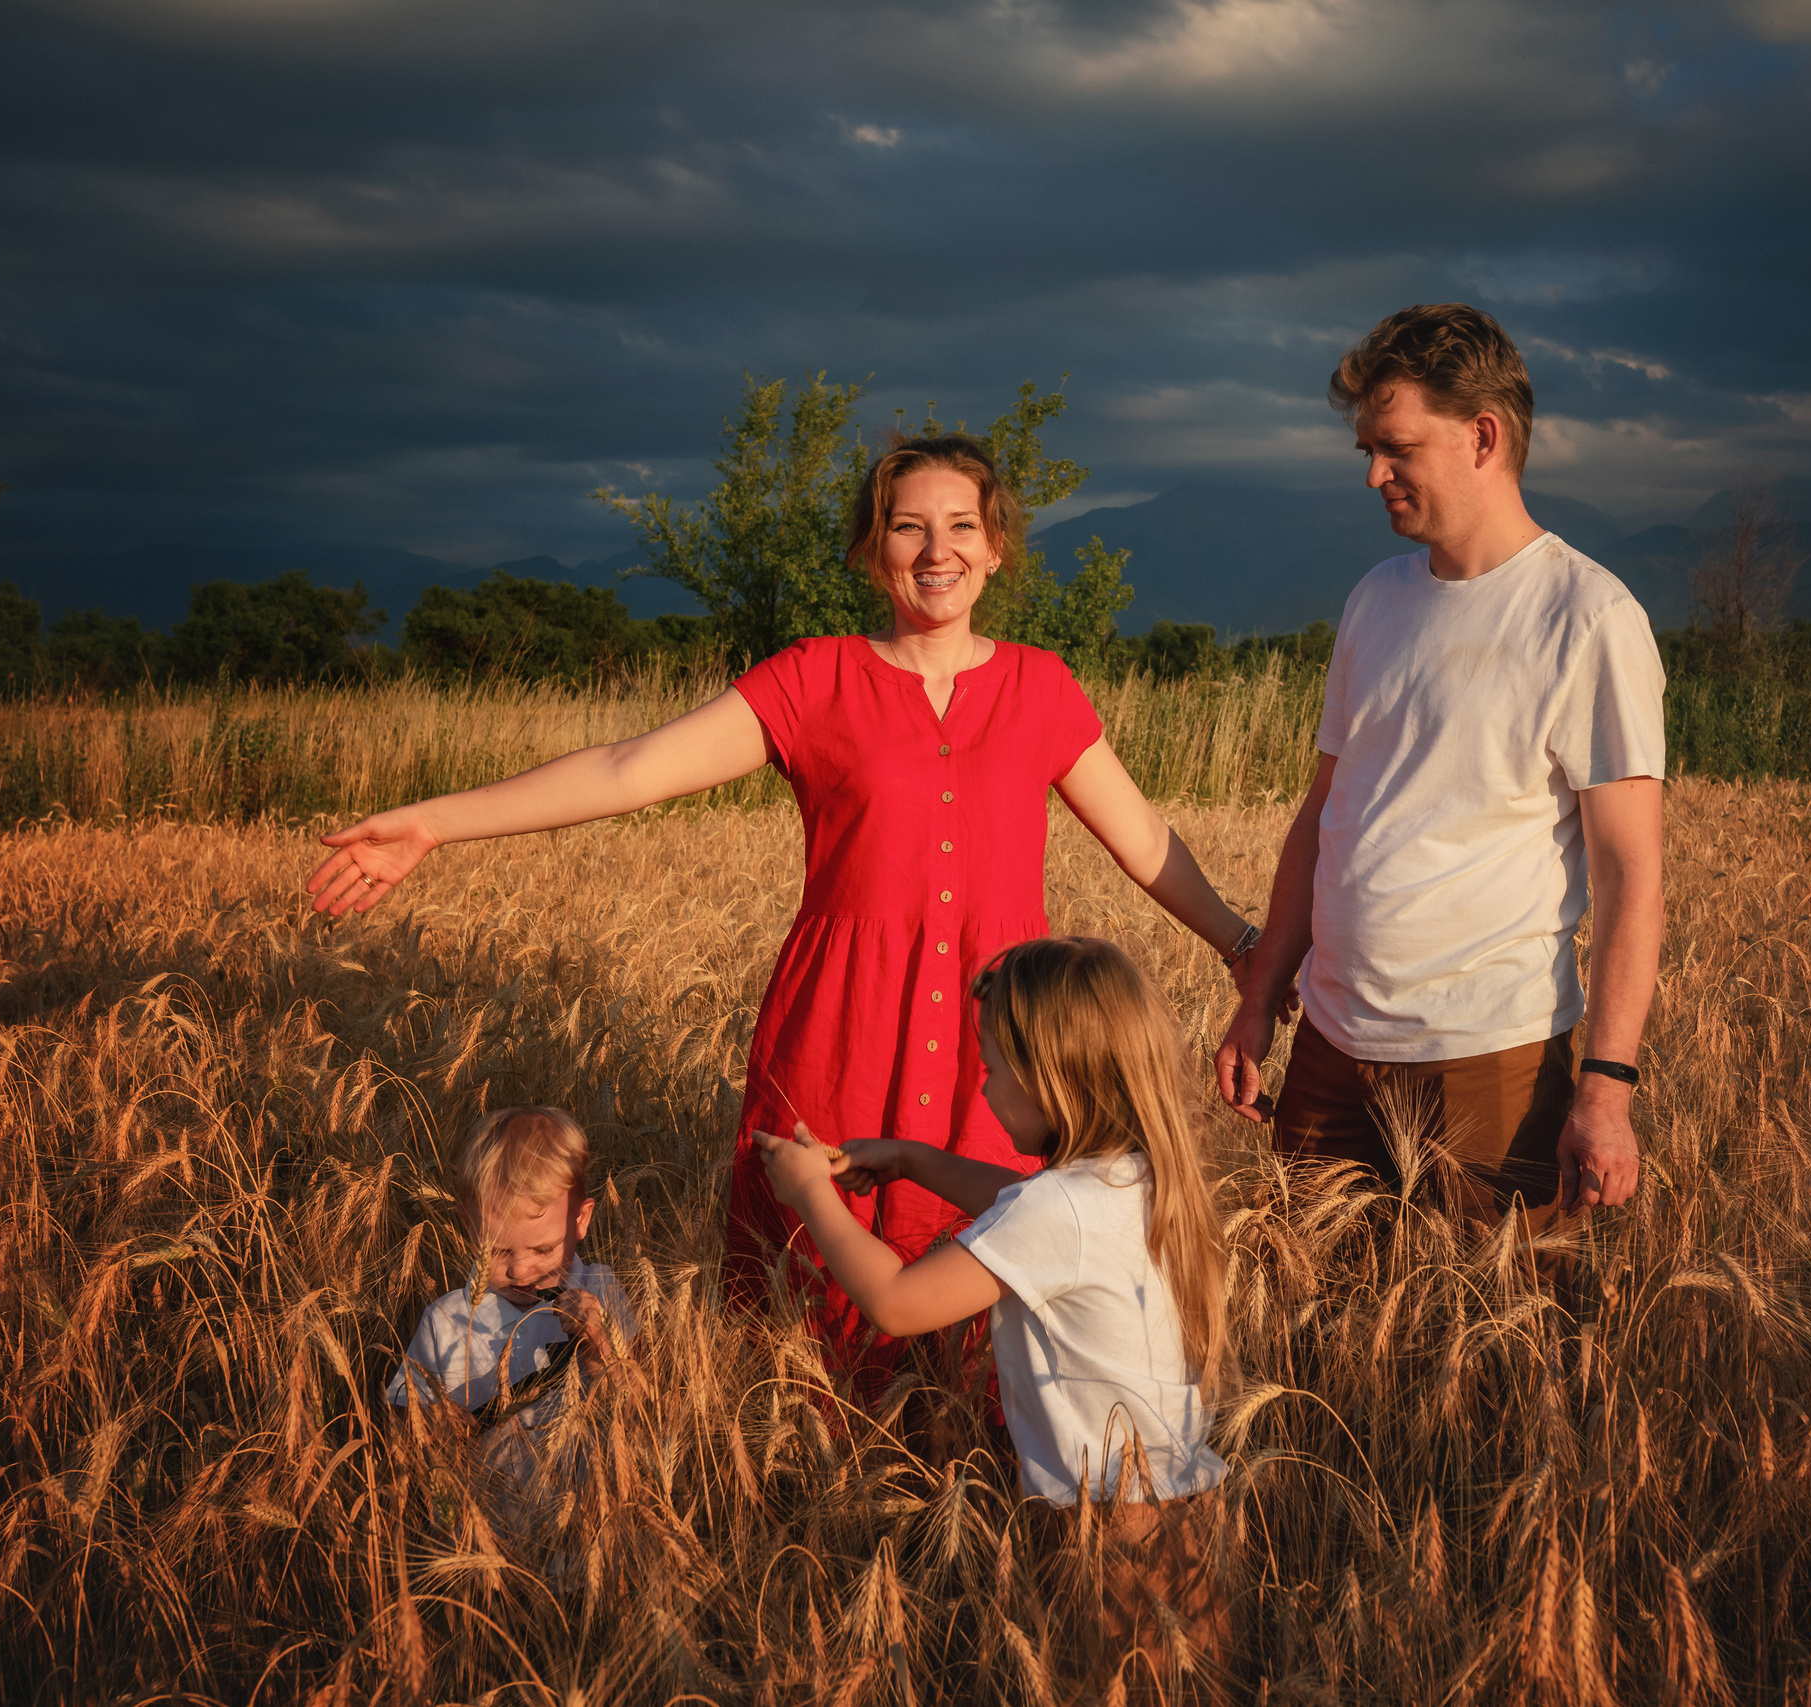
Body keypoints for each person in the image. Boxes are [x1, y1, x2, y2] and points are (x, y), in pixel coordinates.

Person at [310, 435, 1264, 1363]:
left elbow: (1144, 842)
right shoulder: (814, 679)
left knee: (994, 1285)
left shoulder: (1041, 687)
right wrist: (435, 821)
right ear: (870, 548)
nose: (938, 551)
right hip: (840, 1024)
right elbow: (629, 767)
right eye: (907, 527)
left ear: (996, 546)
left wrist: (1242, 946)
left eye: (962, 525)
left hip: (1004, 1048)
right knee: (815, 1279)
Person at [1213, 303, 1666, 1230]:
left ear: (1483, 436)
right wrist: (1261, 995)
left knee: (1493, 1349)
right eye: (1369, 450)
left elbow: (1630, 871)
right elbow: (1323, 816)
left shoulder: (1586, 617)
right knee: (1314, 1342)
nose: (1375, 473)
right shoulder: (1374, 601)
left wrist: (1607, 1088)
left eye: (1397, 447)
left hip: (1486, 1062)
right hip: (1332, 1050)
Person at [759, 936, 1229, 1696]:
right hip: (1182, 1524)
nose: (982, 1088)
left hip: (1108, 1536)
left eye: (993, 1067)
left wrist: (809, 1191)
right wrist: (914, 1158)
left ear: (1052, 1080)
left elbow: (895, 1303)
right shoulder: (1135, 1173)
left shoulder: (1059, 1207)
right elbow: (1021, 1210)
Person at [390, 1104, 637, 1419]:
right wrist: (438, 1423)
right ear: (468, 1225)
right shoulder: (446, 1321)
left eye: (543, 1250)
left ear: (580, 1220)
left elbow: (638, 1408)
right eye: (498, 1250)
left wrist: (597, 1343)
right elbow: (400, 1423)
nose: (519, 1269)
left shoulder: (601, 1291)